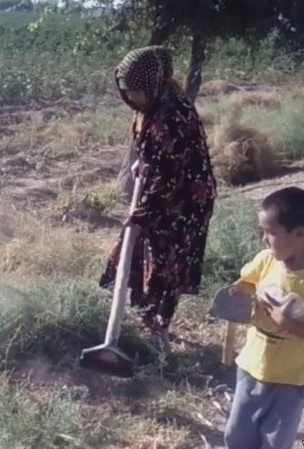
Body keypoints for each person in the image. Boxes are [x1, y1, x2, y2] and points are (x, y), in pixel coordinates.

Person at [98, 45, 217, 345]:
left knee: (166, 263)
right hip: (163, 189)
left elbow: (170, 174)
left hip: (184, 200)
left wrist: (142, 210)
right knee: (137, 249)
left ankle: (156, 330)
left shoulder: (170, 114)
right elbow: (153, 153)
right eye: (125, 91)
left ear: (152, 84)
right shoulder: (149, 109)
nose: (130, 97)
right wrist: (142, 161)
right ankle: (140, 319)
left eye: (136, 91)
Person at [224, 187, 304, 449]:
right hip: (251, 368)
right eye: (263, 231)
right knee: (236, 437)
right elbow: (242, 286)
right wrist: (241, 295)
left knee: (275, 442)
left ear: (300, 234)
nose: (265, 239)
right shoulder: (266, 261)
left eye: (271, 232)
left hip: (290, 380)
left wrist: (287, 323)